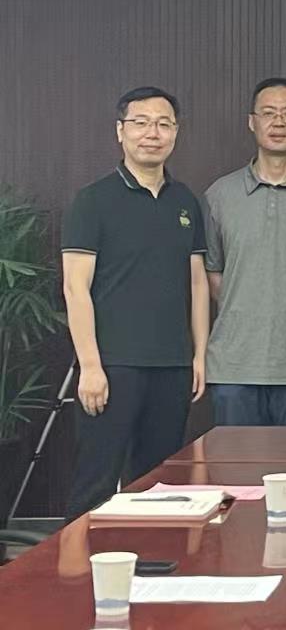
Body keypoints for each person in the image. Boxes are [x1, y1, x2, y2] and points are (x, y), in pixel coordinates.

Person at [61, 86, 210, 519]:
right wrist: (90, 365)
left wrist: (199, 355)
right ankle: (79, 563)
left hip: (172, 366)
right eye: (141, 123)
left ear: (176, 133)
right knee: (95, 482)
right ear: (120, 131)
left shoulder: (185, 202)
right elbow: (75, 288)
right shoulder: (93, 200)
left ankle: (149, 559)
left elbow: (197, 283)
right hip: (112, 366)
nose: (152, 133)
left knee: (159, 485)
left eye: (163, 124)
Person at [203, 77, 286, 426]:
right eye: (269, 113)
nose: (278, 122)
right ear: (252, 122)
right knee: (236, 461)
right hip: (234, 366)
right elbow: (212, 272)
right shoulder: (220, 195)